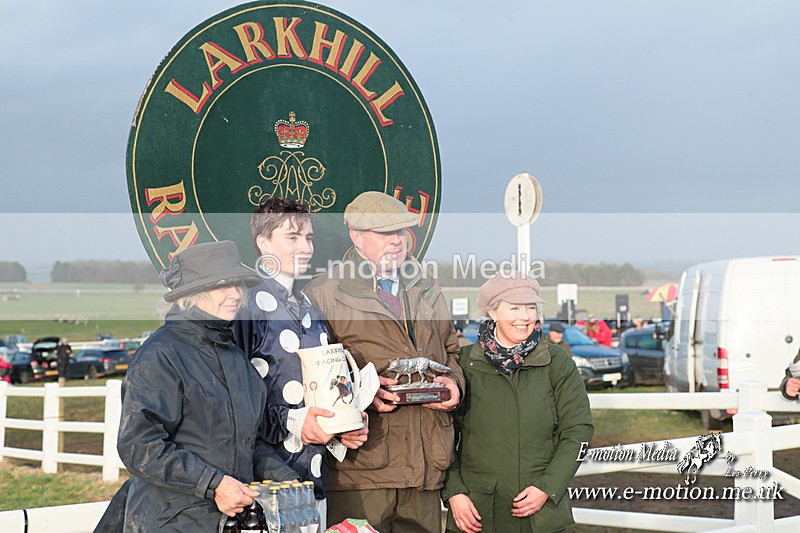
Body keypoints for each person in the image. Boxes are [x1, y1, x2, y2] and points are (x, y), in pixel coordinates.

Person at [305, 191, 464, 532]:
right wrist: (361, 396)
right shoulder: (323, 293)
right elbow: (313, 374)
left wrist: (454, 384)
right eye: (385, 233)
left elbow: (453, 350)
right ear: (357, 237)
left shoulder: (427, 288)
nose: (397, 241)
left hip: (425, 467)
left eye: (401, 232)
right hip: (364, 469)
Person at [116, 241, 299, 532]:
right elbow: (139, 446)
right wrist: (213, 484)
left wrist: (288, 481)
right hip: (170, 520)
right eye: (221, 286)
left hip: (226, 521)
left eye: (237, 285)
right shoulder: (162, 353)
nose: (234, 295)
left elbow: (247, 444)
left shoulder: (238, 359)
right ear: (193, 293)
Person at [234, 198, 368, 528]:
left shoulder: (309, 307)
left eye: (308, 238)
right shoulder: (245, 304)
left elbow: (319, 394)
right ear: (263, 243)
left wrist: (341, 427)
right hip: (264, 481)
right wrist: (294, 421)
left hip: (314, 476)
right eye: (292, 238)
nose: (305, 247)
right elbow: (232, 400)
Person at [442, 273, 594, 533]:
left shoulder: (557, 363)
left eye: (531, 307)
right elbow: (440, 433)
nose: (524, 317)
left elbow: (579, 430)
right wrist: (453, 492)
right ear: (492, 311)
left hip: (540, 512)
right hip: (476, 510)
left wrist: (548, 486)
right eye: (514, 308)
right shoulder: (463, 364)